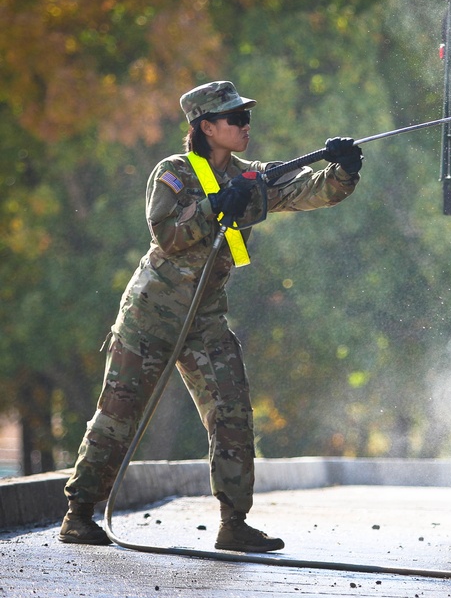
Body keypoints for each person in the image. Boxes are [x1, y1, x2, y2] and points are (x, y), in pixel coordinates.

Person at [59, 80, 364, 553]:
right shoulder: (174, 172)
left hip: (204, 320)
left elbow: (307, 191)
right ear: (205, 127)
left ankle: (234, 523)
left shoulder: (251, 177)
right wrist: (213, 206)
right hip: (151, 317)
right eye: (234, 119)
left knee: (233, 413)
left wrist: (342, 170)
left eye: (246, 116)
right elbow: (167, 234)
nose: (245, 125)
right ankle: (78, 516)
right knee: (117, 416)